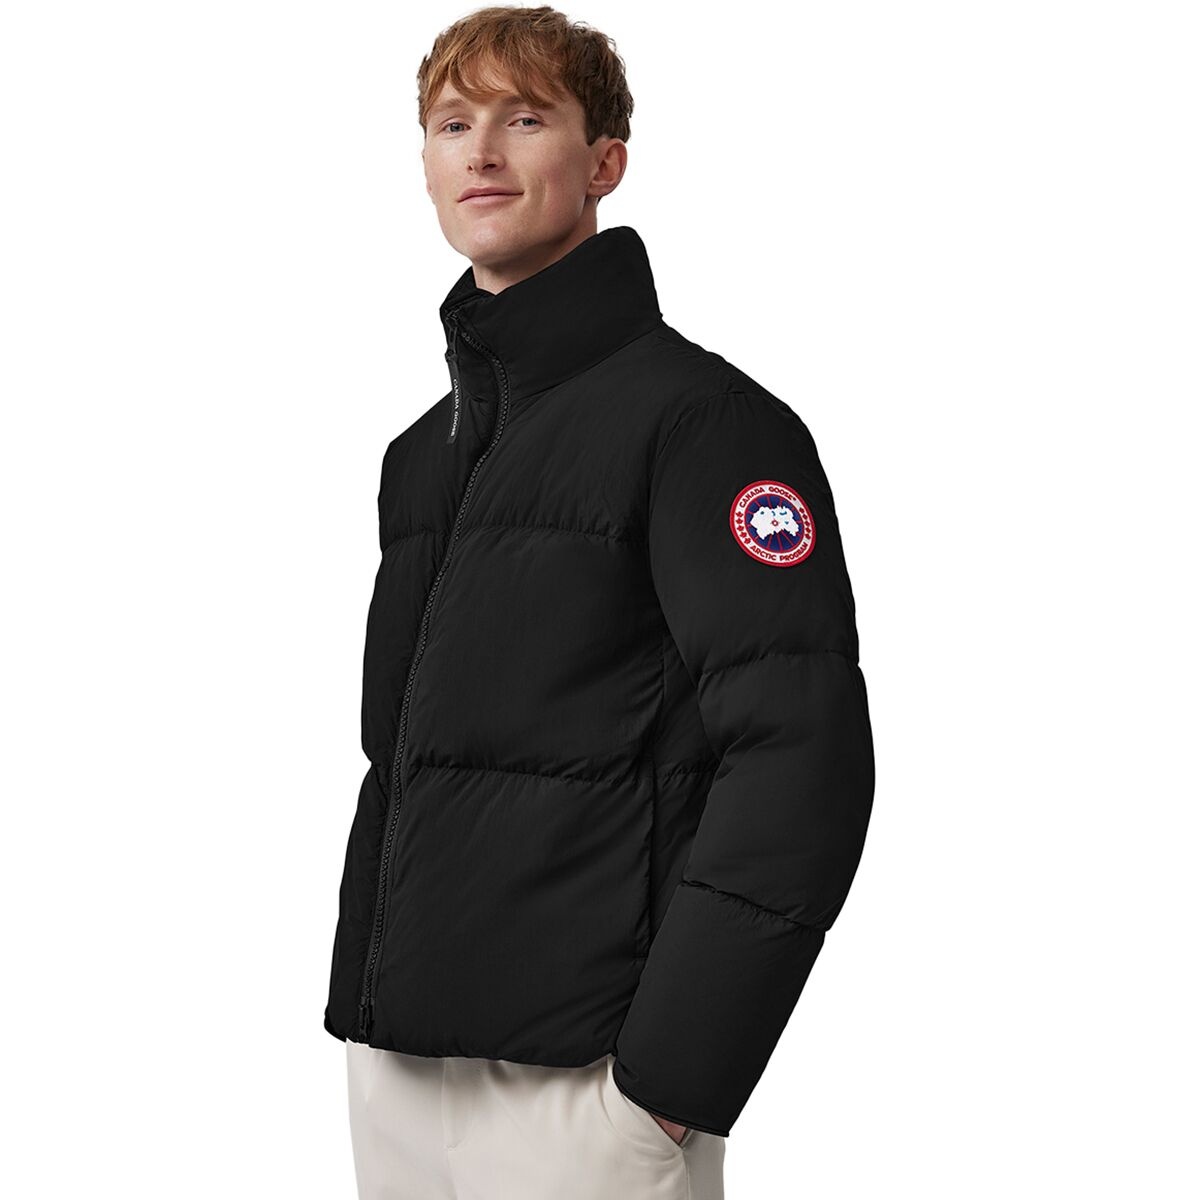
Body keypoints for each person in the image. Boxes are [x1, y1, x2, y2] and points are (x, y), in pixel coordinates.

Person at [323, 7, 876, 1198]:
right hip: (398, 1074)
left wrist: (669, 1083)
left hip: (588, 1093)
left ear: (604, 161)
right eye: (452, 125)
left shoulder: (708, 426)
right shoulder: (421, 457)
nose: (481, 153)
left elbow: (802, 758)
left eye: (525, 119)